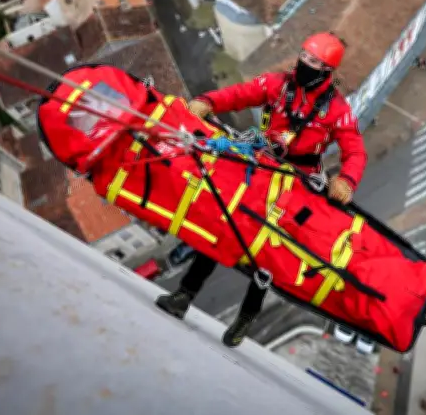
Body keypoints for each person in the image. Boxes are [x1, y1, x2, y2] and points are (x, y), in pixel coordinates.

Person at [155, 31, 368, 347]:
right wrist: (208, 101)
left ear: (327, 70)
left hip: (298, 180)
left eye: (313, 61)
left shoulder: (337, 111)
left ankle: (246, 317)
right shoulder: (279, 85)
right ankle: (184, 294)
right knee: (224, 224)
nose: (304, 63)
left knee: (269, 250)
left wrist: (346, 180)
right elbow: (240, 94)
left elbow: (355, 150)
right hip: (262, 167)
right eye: (304, 56)